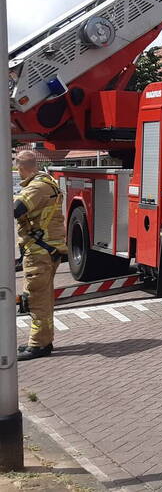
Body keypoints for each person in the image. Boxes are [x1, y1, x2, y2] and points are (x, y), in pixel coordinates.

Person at [13, 150, 67, 362]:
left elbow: (16, 208)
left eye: (18, 167)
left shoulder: (37, 187)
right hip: (46, 249)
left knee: (37, 300)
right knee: (43, 298)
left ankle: (39, 345)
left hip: (39, 252)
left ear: (22, 167)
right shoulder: (47, 181)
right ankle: (44, 339)